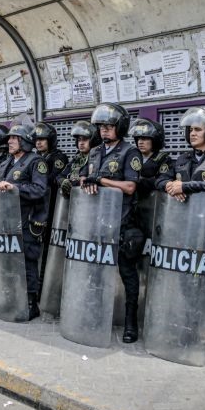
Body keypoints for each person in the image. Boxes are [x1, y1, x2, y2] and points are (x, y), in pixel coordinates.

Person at [155, 108, 205, 352]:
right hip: (184, 230)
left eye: (198, 129)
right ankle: (190, 325)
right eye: (190, 129)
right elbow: (160, 180)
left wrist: (185, 186)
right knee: (185, 282)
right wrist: (170, 185)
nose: (192, 133)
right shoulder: (181, 158)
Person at [81, 103, 144, 343]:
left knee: (128, 275)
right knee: (95, 275)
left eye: (109, 127)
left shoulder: (130, 152)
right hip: (97, 225)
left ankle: (130, 324)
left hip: (122, 225)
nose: (104, 131)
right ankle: (96, 317)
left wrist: (103, 180)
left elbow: (130, 186)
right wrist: (85, 181)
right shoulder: (95, 152)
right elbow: (88, 178)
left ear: (120, 127)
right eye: (101, 127)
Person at [0, 123, 49, 320]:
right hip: (8, 222)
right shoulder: (6, 162)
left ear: (25, 141)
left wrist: (14, 187)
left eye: (14, 138)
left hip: (27, 222)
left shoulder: (36, 162)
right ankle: (13, 298)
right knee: (9, 262)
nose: (9, 141)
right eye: (9, 138)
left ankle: (30, 303)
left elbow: (39, 189)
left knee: (27, 263)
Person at [33, 122, 69, 292]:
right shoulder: (35, 157)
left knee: (48, 249)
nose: (39, 143)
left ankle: (43, 287)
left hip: (54, 208)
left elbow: (48, 180)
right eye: (37, 140)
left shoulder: (58, 158)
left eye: (42, 139)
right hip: (39, 208)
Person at [131, 118, 174, 200]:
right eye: (138, 138)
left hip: (152, 203)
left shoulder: (163, 159)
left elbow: (163, 180)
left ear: (155, 140)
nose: (140, 142)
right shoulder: (133, 157)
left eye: (145, 138)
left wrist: (135, 181)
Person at [57, 121, 101, 198]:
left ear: (93, 140)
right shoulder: (77, 157)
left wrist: (71, 182)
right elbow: (60, 175)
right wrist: (62, 181)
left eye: (85, 139)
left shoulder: (98, 157)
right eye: (79, 140)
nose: (81, 143)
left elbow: (87, 179)